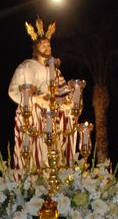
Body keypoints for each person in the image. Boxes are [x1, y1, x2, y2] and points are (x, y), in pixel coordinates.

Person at [8, 17, 74, 171]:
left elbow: (62, 92)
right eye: (43, 45)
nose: (47, 47)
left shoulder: (54, 70)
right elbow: (13, 90)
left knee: (53, 153)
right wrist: (35, 99)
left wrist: (69, 103)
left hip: (51, 115)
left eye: (49, 44)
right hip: (32, 115)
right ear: (36, 48)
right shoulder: (26, 66)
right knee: (35, 154)